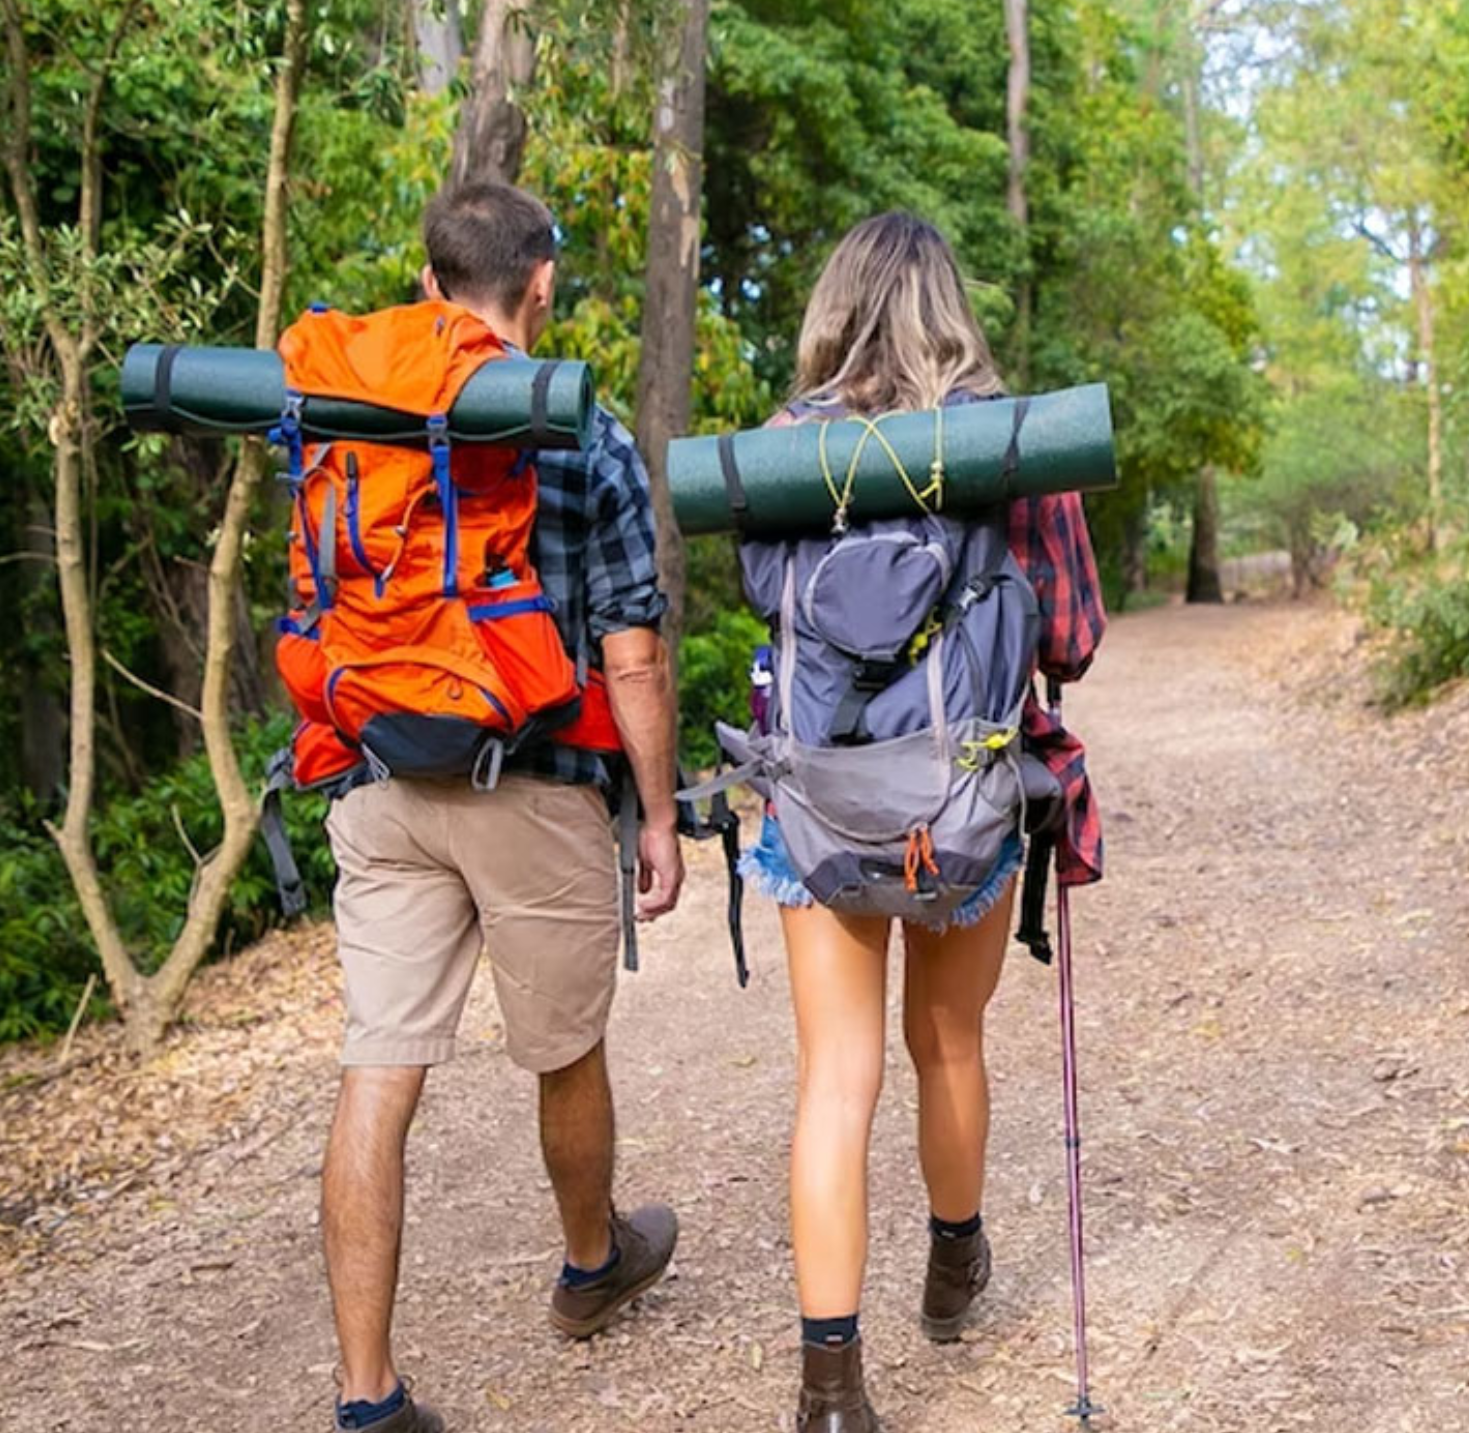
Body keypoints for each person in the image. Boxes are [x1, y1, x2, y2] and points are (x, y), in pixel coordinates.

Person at [318, 181, 687, 1433]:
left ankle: (366, 1393)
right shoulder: (579, 428)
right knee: (562, 1044)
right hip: (530, 786)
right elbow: (629, 650)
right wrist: (656, 815)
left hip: (380, 783)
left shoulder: (352, 411)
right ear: (539, 284)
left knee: (378, 1069)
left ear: (429, 286)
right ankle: (591, 1265)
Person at [747, 213, 1106, 1432]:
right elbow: (1072, 640)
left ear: (833, 307)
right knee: (945, 1034)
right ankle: (953, 1264)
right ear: (953, 307)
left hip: (817, 805)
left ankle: (830, 1391)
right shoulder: (1011, 445)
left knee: (832, 1076)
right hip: (960, 800)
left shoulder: (782, 451)